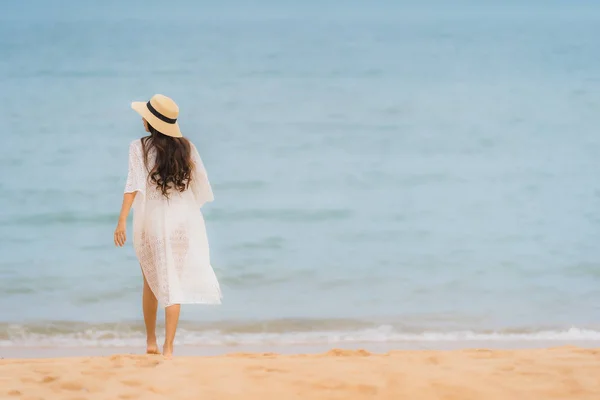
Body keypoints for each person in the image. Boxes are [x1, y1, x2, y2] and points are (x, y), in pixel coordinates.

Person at [114, 94, 222, 358]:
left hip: (149, 223)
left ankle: (151, 341)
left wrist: (121, 221)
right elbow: (201, 190)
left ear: (151, 122)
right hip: (181, 224)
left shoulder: (138, 147)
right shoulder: (187, 148)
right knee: (173, 281)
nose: (142, 119)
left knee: (151, 282)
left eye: (145, 116)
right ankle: (169, 348)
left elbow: (133, 186)